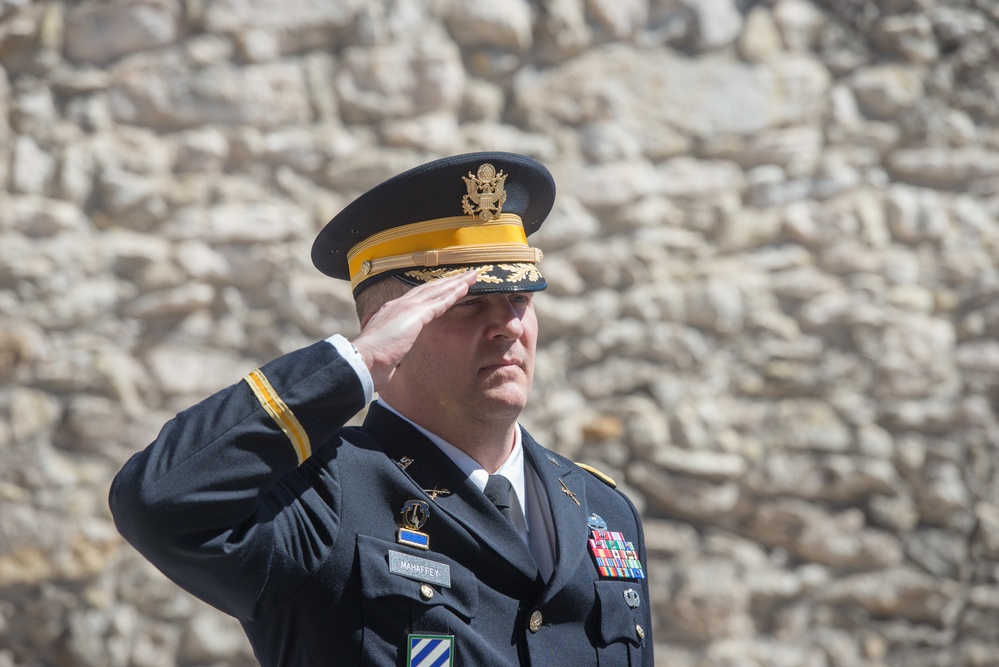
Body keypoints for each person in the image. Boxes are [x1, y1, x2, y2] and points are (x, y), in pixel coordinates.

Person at [110, 152, 653, 666]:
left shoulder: (603, 508)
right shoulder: (324, 494)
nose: (509, 325)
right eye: (468, 304)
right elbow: (158, 500)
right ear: (397, 324)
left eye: (520, 299)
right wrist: (355, 363)